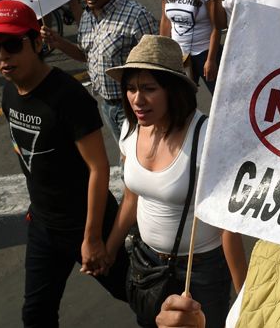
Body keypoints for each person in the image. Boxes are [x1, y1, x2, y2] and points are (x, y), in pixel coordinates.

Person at [0, 0, 129, 327]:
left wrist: (93, 238)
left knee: (138, 296)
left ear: (37, 42)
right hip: (44, 226)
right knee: (36, 314)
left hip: (85, 224)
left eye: (13, 45)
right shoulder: (9, 93)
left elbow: (98, 169)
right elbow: (26, 154)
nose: (2, 57)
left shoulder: (68, 96)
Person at [103, 35, 245, 327]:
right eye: (130, 88)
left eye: (148, 89)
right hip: (146, 265)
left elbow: (227, 230)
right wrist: (109, 249)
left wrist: (245, 296)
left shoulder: (205, 136)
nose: (137, 99)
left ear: (173, 91)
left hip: (200, 272)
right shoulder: (132, 127)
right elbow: (131, 198)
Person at [41, 0, 157, 141]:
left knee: (139, 158)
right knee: (126, 157)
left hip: (133, 106)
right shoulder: (87, 17)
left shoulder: (136, 17)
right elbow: (85, 55)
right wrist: (59, 42)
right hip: (107, 106)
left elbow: (156, 66)